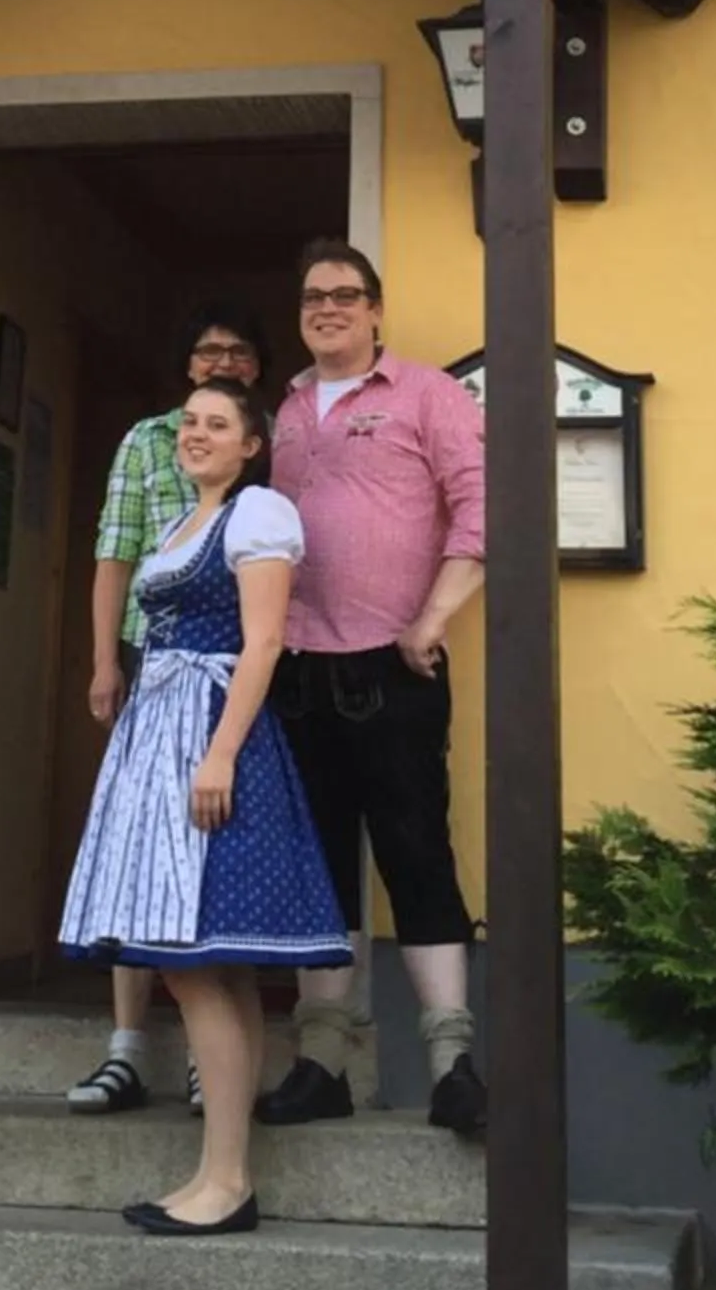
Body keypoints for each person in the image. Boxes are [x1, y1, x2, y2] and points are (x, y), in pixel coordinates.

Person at [60, 378, 352, 1234]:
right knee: (210, 969)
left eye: (217, 424)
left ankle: (226, 1179)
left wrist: (220, 752)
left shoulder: (257, 515)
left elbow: (262, 642)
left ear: (251, 443)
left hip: (210, 742)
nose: (196, 433)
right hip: (160, 742)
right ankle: (222, 1175)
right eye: (189, 421)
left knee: (194, 964)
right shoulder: (187, 522)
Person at [259, 239, 488, 1138]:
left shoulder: (430, 394)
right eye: (314, 296)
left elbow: (483, 504)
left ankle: (452, 1063)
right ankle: (322, 1064)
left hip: (397, 661)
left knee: (416, 853)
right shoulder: (279, 409)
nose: (329, 309)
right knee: (316, 871)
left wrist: (432, 619)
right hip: (297, 667)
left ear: (377, 309)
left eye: (346, 296)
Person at [67, 303, 269, 1114]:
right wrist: (103, 659)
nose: (219, 359)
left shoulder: (265, 453)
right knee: (137, 849)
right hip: (150, 665)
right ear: (186, 367)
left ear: (254, 370)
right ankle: (125, 1046)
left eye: (236, 350)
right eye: (205, 350)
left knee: (217, 857)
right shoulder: (149, 440)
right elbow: (114, 549)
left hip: (233, 664)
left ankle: (207, 1059)